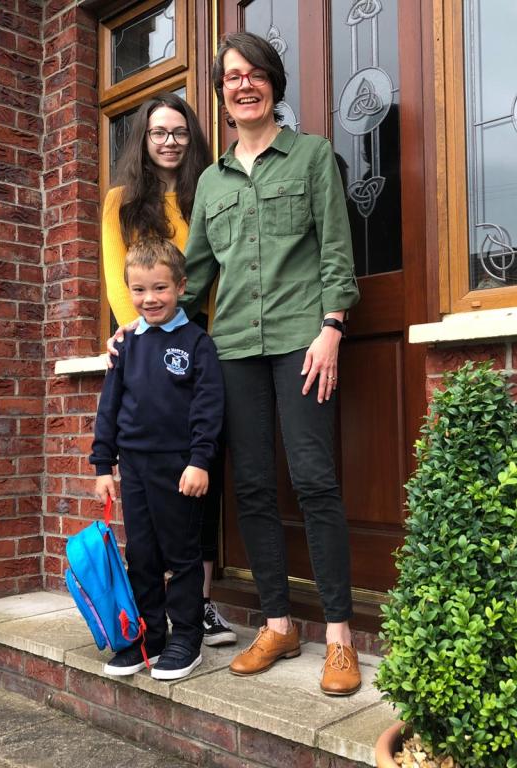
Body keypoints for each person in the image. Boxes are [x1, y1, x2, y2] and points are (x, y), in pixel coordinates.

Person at [181, 32, 362, 696]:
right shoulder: (211, 181)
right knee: (253, 488)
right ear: (222, 94)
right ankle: (279, 624)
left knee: (315, 481)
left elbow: (336, 249)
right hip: (233, 348)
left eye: (255, 73)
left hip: (300, 342)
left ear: (273, 84)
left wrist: (332, 327)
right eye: (233, 77)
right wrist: (141, 331)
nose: (244, 85)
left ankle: (339, 636)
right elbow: (196, 274)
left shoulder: (311, 156)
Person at [102, 92, 237, 648]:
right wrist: (130, 328)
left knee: (200, 473)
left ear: (191, 138)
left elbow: (211, 265)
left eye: (179, 132)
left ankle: (198, 605)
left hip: (200, 334)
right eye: (159, 132)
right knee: (151, 501)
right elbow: (118, 274)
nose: (169, 141)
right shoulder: (120, 202)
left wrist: (198, 324)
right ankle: (153, 618)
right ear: (144, 139)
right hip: (146, 339)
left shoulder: (206, 189)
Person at [91, 238, 225, 681]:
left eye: (160, 288)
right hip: (133, 468)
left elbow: (209, 409)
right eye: (139, 290)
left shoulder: (197, 343)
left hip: (180, 468)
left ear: (181, 287)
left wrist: (200, 461)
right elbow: (109, 407)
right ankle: (149, 637)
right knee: (142, 555)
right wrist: (103, 466)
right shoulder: (125, 345)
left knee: (182, 554)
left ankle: (187, 637)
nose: (150, 299)